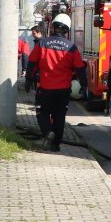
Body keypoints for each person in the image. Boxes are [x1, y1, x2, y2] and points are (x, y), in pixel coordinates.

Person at [27, 13, 87, 151]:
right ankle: (55, 145)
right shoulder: (71, 47)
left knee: (42, 112)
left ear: (53, 27)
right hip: (63, 90)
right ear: (67, 30)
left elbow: (31, 62)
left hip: (45, 87)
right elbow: (80, 69)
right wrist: (84, 86)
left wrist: (28, 79)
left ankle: (48, 133)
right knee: (59, 116)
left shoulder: (42, 43)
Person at [25, 25, 44, 92]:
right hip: (37, 72)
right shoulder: (38, 42)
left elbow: (33, 61)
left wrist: (28, 78)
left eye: (34, 33)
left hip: (39, 73)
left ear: (39, 33)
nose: (32, 35)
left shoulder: (41, 43)